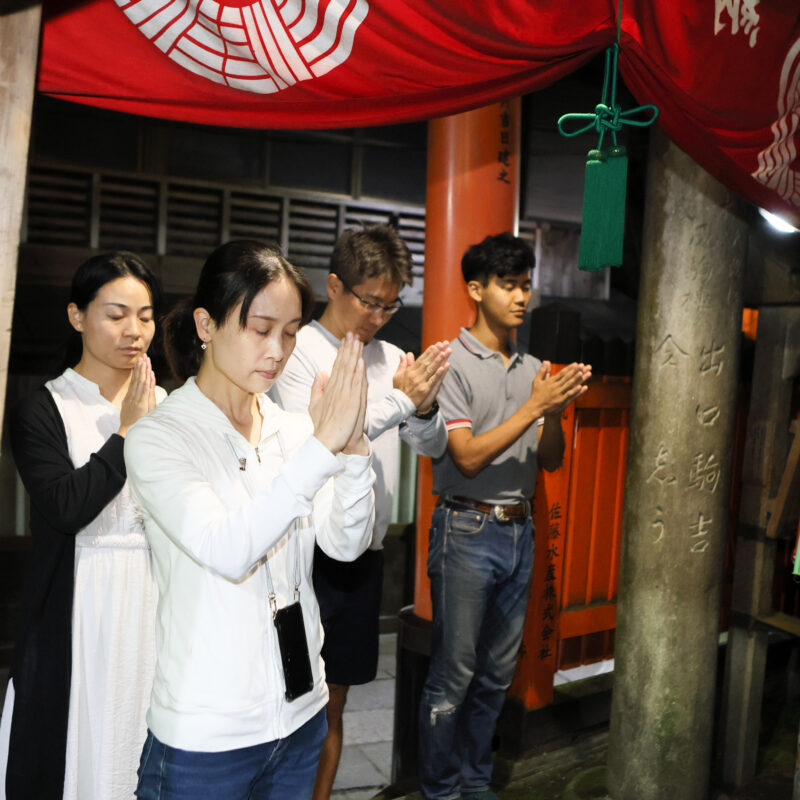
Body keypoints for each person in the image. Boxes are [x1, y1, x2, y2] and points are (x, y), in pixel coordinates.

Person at [123, 240, 375, 800]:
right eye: (260, 329)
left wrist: (353, 451)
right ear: (207, 325)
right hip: (207, 738)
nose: (278, 350)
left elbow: (345, 545)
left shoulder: (290, 429)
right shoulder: (158, 437)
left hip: (301, 716)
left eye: (290, 333)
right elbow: (227, 545)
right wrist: (322, 448)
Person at [271, 223, 449, 800]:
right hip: (304, 551)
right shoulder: (297, 353)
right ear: (334, 285)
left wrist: (421, 409)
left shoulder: (395, 357)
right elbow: (322, 435)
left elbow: (433, 445)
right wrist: (399, 400)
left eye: (391, 304)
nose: (379, 316)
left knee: (336, 698)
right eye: (369, 301)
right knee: (291, 693)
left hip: (363, 552)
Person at [418, 233, 592, 800]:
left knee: (495, 674)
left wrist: (556, 413)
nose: (522, 296)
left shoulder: (533, 366)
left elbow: (550, 458)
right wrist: (535, 407)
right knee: (452, 675)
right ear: (476, 289)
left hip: (519, 527)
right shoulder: (453, 362)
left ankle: (475, 783)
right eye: (508, 285)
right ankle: (441, 790)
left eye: (525, 285)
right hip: (466, 528)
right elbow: (464, 458)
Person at [0, 252, 164, 800]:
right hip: (80, 607)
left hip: (156, 602)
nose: (134, 330)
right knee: (79, 747)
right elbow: (66, 507)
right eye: (116, 314)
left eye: (145, 316)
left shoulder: (168, 405)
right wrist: (125, 435)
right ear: (77, 316)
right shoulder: (42, 408)